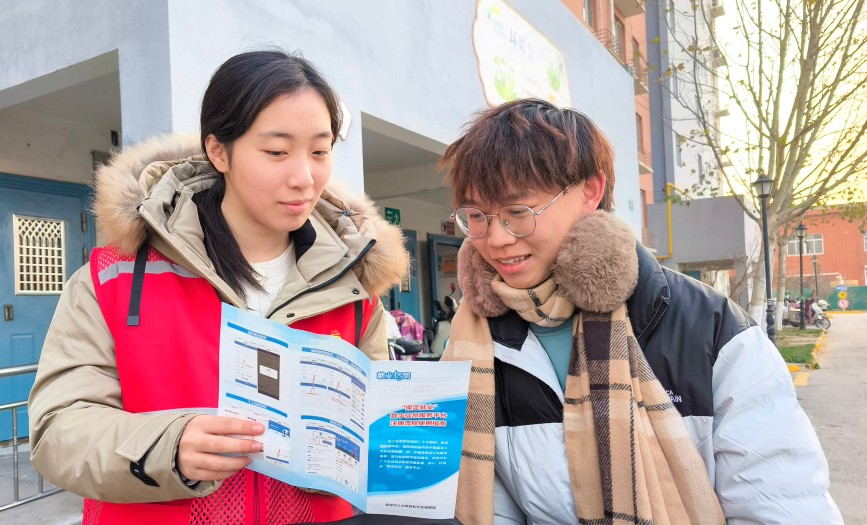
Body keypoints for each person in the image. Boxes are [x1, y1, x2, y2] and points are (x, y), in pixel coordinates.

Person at [28, 50, 408, 524]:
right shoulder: (115, 278)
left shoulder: (354, 292)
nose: (304, 177)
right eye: (276, 151)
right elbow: (57, 431)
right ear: (219, 151)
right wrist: (171, 446)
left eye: (320, 151)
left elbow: (370, 432)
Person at [439, 98, 842, 524]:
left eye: (518, 212)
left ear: (589, 192)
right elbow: (491, 507)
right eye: (477, 216)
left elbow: (785, 508)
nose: (496, 239)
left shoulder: (713, 331)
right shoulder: (475, 343)